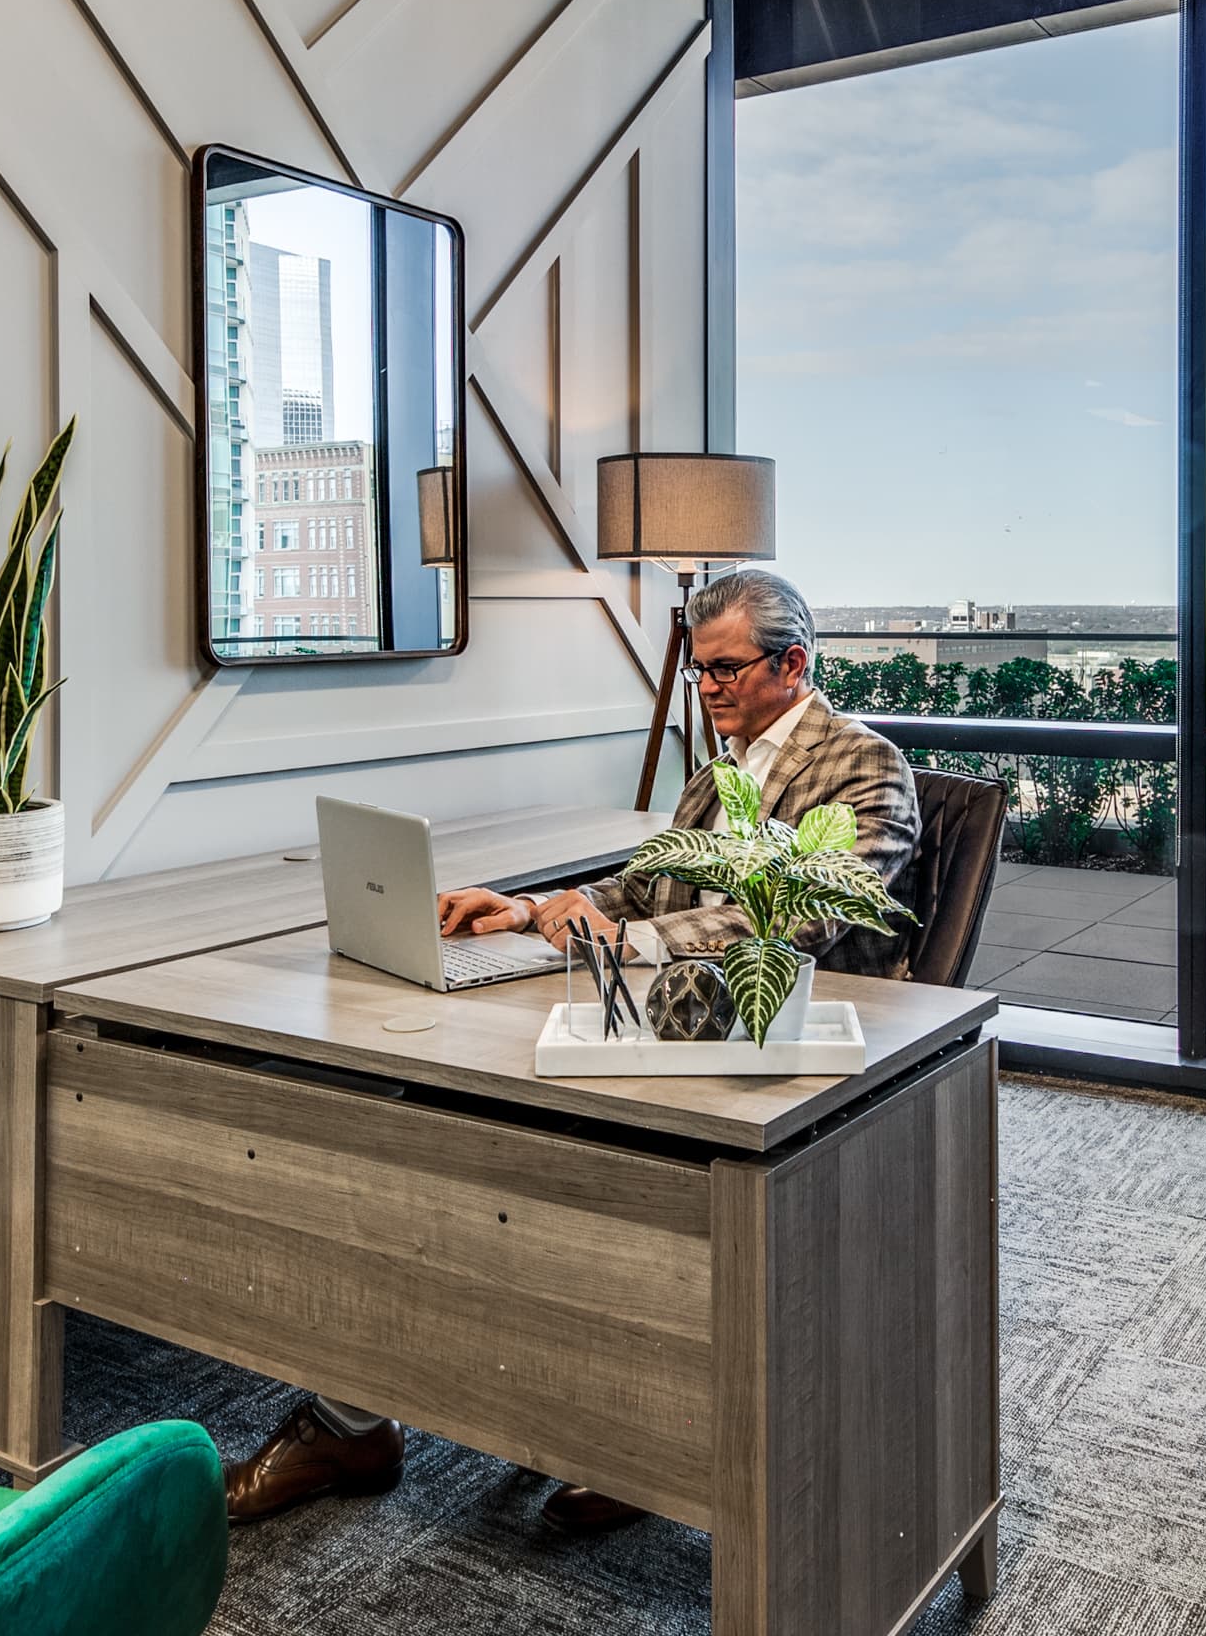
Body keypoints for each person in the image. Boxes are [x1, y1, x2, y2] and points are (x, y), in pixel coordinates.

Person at [223, 568, 921, 1528]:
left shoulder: (864, 766)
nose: (706, 689)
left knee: (515, 1154)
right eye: (698, 672)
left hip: (775, 1063)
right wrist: (528, 910)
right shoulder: (722, 768)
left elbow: (797, 925)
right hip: (660, 1028)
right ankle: (363, 1407)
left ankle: (643, 1433)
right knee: (420, 1126)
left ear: (792, 665)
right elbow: (651, 888)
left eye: (723, 671)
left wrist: (617, 940)